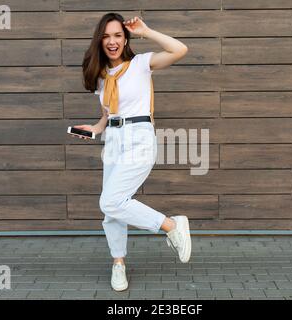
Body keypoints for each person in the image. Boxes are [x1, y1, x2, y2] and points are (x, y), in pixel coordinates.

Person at [75, 12, 191, 292]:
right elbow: (106, 116)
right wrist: (94, 129)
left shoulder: (141, 64)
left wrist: (147, 31)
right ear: (99, 40)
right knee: (112, 209)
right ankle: (119, 263)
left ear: (125, 38)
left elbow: (180, 50)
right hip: (114, 139)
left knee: (111, 200)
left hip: (139, 137)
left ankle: (170, 225)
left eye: (117, 35)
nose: (112, 41)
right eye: (106, 36)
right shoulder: (103, 77)